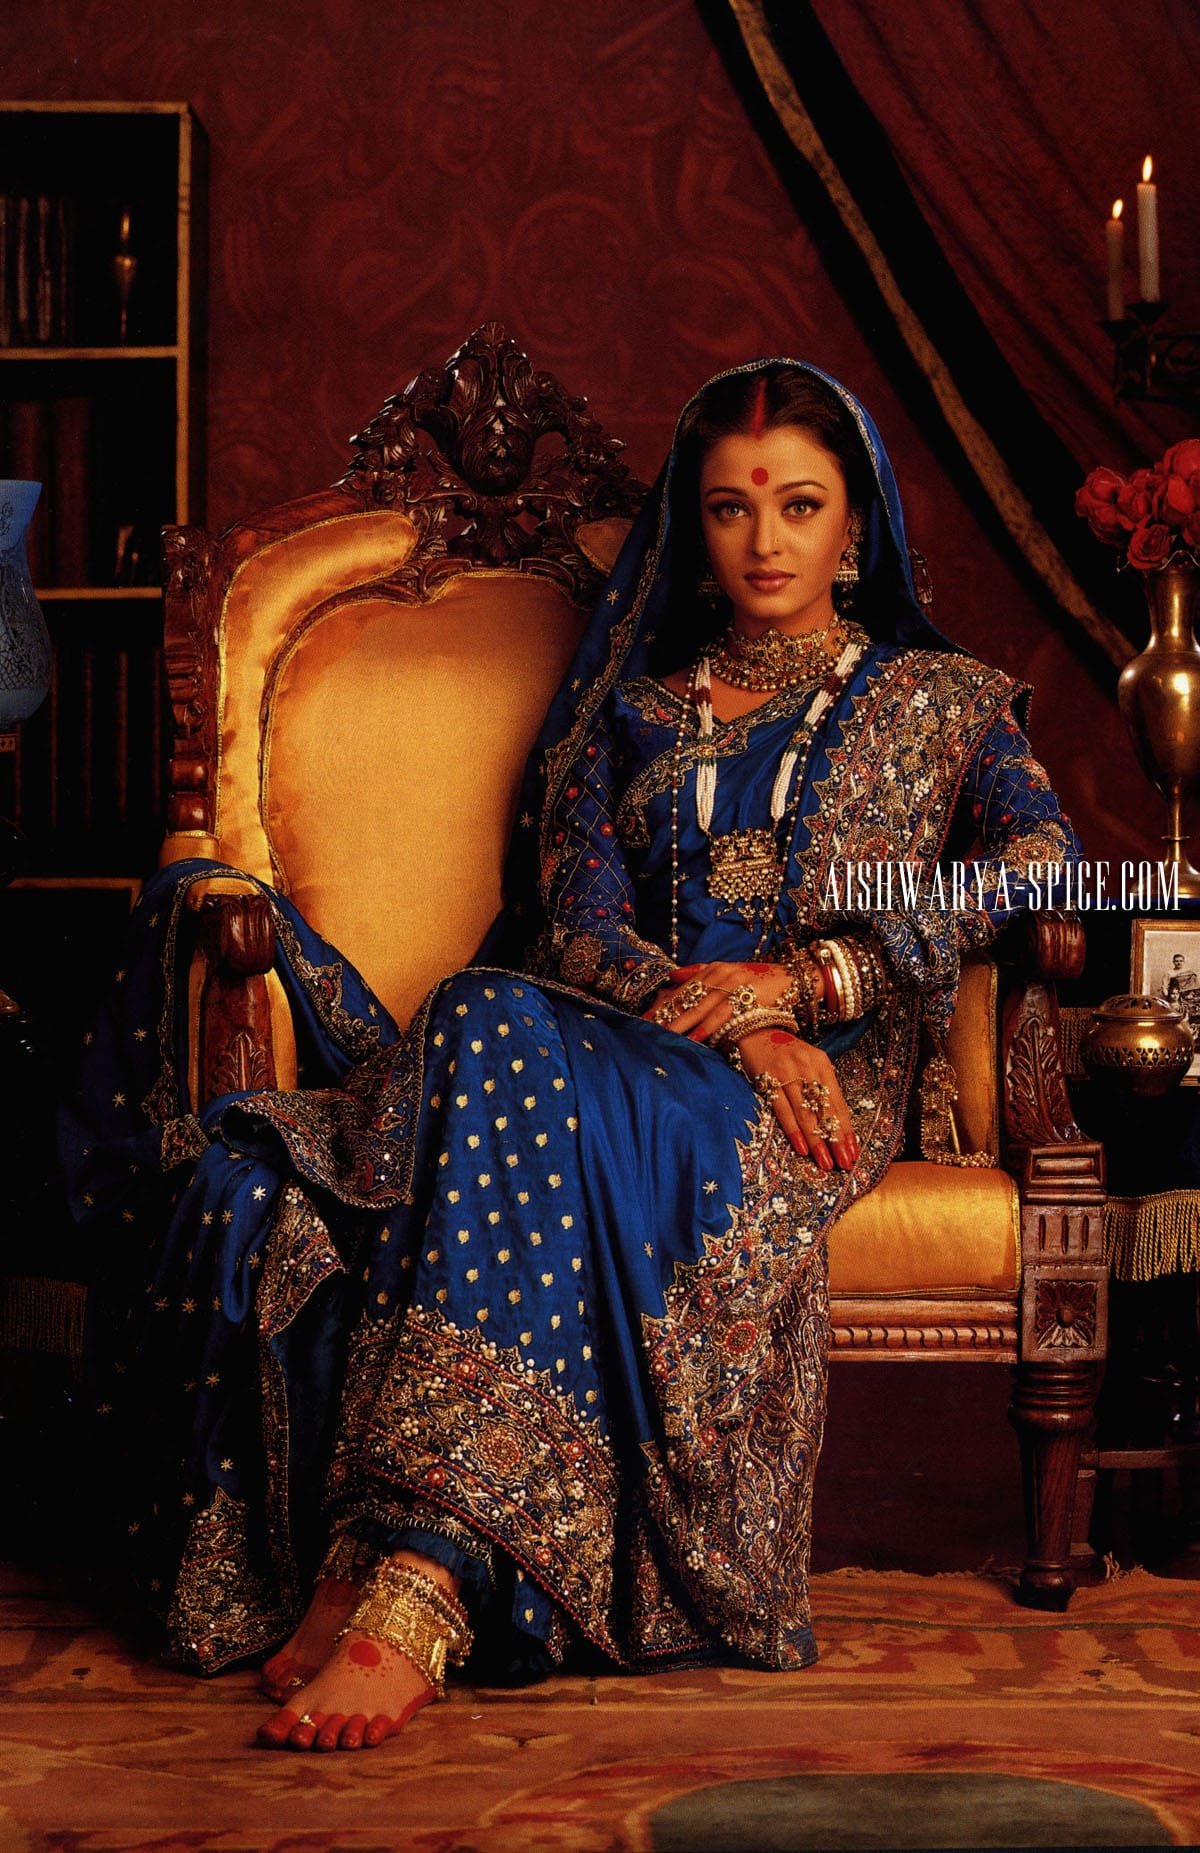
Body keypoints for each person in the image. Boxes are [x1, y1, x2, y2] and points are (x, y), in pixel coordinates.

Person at [62, 359, 1081, 1753]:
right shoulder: (632, 713)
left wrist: (819, 979)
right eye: (730, 508)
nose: (766, 541)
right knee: (461, 1028)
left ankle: (415, 1584)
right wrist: (741, 1015)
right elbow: (583, 927)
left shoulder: (944, 703)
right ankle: (381, 1551)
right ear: (695, 527)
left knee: (486, 1025)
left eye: (799, 505)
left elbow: (1045, 870)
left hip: (805, 1107)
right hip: (629, 1055)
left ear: (857, 526)